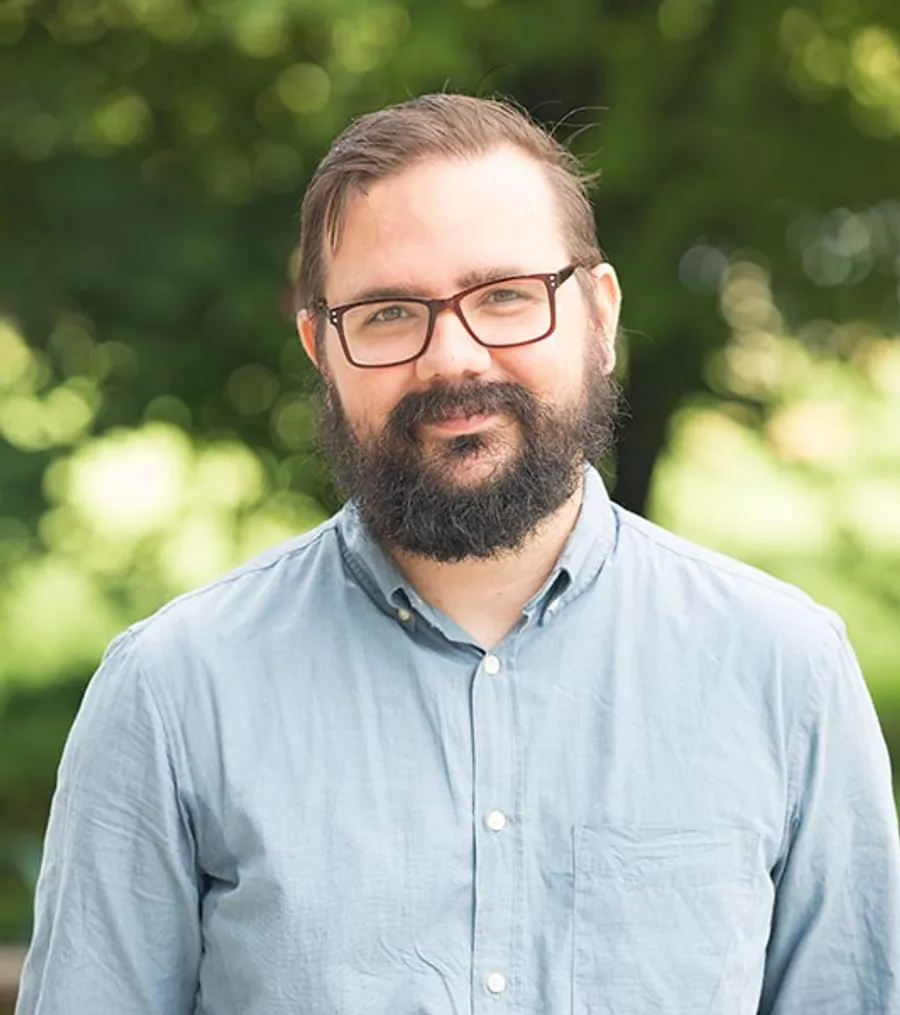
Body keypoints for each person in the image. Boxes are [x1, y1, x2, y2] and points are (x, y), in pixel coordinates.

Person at [15, 93, 900, 1015]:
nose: (453, 357)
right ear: (321, 349)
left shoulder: (785, 672)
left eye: (506, 296)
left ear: (599, 317)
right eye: (390, 312)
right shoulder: (172, 693)